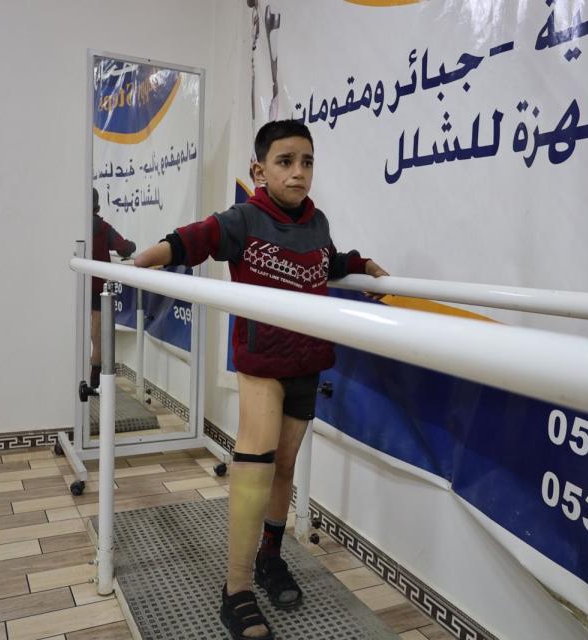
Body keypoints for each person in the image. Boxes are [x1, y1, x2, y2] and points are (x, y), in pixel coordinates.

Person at [129, 120, 388, 639]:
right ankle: (237, 586)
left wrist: (361, 267)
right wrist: (140, 262)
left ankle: (270, 556)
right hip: (262, 360)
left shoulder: (318, 222)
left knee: (285, 467)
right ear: (260, 169)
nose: (298, 173)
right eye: (285, 161)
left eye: (307, 162)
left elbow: (325, 262)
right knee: (255, 460)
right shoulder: (245, 219)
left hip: (308, 357)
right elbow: (194, 240)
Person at [91, 188, 136, 389]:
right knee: (98, 334)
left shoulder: (71, 225)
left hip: (75, 287)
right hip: (97, 289)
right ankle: (94, 379)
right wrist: (131, 246)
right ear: (97, 206)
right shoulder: (103, 227)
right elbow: (125, 247)